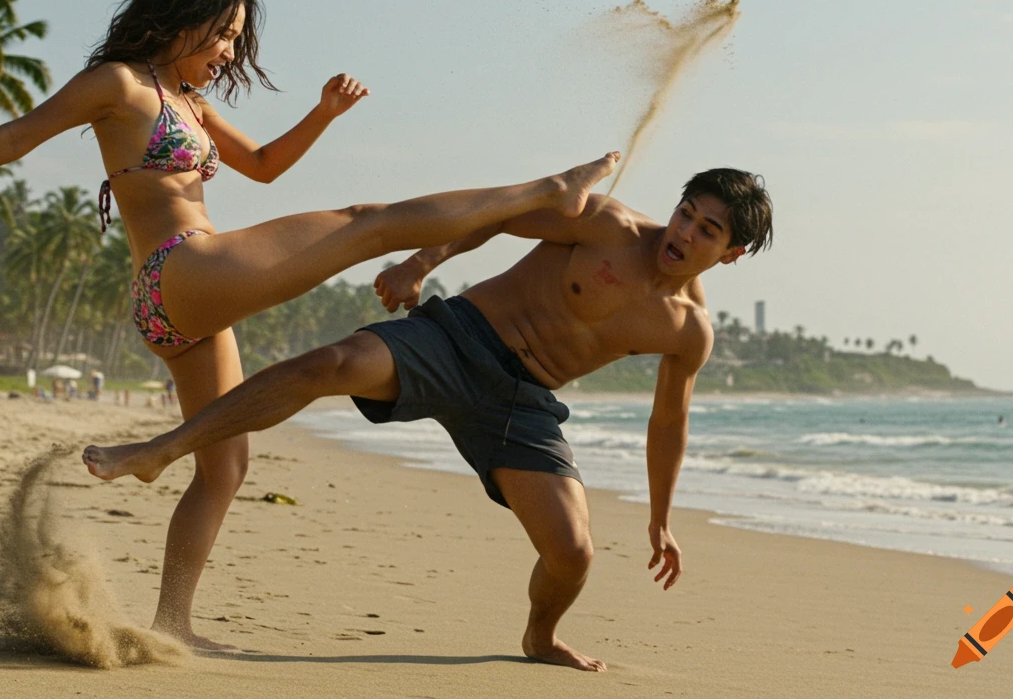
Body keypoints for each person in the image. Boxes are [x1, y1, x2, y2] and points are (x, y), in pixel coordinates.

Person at [0, 0, 614, 649]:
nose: (226, 53)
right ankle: (550, 190)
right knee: (365, 223)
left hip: (179, 304)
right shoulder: (119, 85)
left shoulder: (189, 102)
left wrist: (322, 113)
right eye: (221, 35)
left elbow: (267, 167)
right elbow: (15, 138)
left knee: (226, 463)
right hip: (180, 271)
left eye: (235, 41)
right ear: (179, 16)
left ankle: (171, 621)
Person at [82, 169, 774, 670]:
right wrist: (421, 259)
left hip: (522, 406)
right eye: (688, 211)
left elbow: (667, 423)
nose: (685, 231)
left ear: (732, 252)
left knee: (573, 553)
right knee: (325, 365)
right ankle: (164, 448)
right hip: (457, 339)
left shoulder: (688, 330)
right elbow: (494, 214)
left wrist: (660, 517)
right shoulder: (608, 224)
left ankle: (539, 637)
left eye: (708, 229)